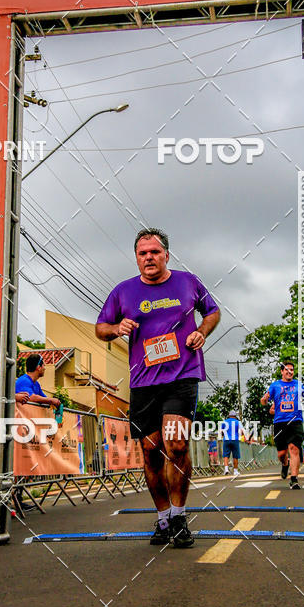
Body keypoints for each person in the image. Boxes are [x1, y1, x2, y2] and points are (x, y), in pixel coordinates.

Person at [95, 227, 220, 547]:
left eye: (154, 252)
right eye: (143, 253)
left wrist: (202, 331)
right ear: (136, 258)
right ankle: (163, 518)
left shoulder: (188, 282)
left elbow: (212, 311)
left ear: (166, 255)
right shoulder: (123, 291)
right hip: (144, 381)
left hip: (182, 375)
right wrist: (116, 328)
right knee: (151, 451)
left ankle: (179, 517)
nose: (149, 257)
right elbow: (101, 328)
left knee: (176, 444)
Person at [260, 360, 304, 489]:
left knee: (294, 448)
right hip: (280, 422)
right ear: (282, 372)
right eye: (287, 370)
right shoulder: (275, 385)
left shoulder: (298, 384)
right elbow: (264, 401)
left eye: (292, 370)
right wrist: (264, 400)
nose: (290, 372)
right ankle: (284, 464)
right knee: (281, 454)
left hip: (295, 420)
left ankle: (294, 479)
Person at [221, 409, 242, 476]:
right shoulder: (238, 422)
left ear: (229, 416)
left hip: (226, 439)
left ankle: (226, 469)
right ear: (235, 416)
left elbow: (222, 432)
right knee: (235, 456)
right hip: (235, 439)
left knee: (226, 455)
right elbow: (241, 431)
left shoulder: (225, 422)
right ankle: (235, 471)